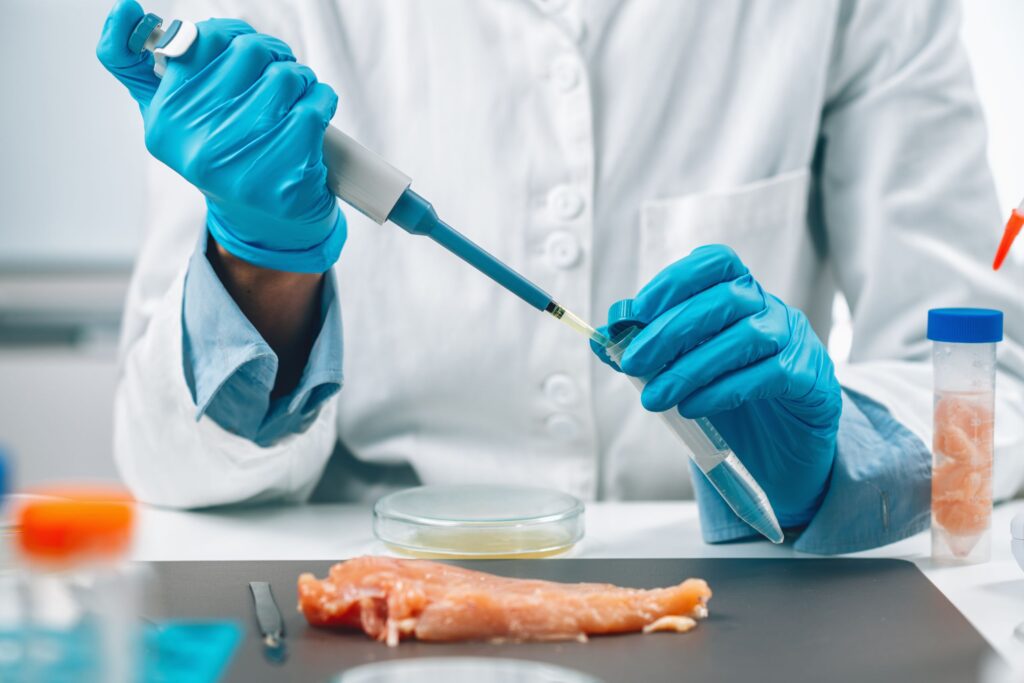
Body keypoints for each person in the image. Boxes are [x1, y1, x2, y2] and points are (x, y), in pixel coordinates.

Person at [97, 0, 1023, 553]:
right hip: (373, 594)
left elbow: (992, 369)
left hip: (736, 599)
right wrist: (259, 262)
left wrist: (848, 457)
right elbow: (170, 459)